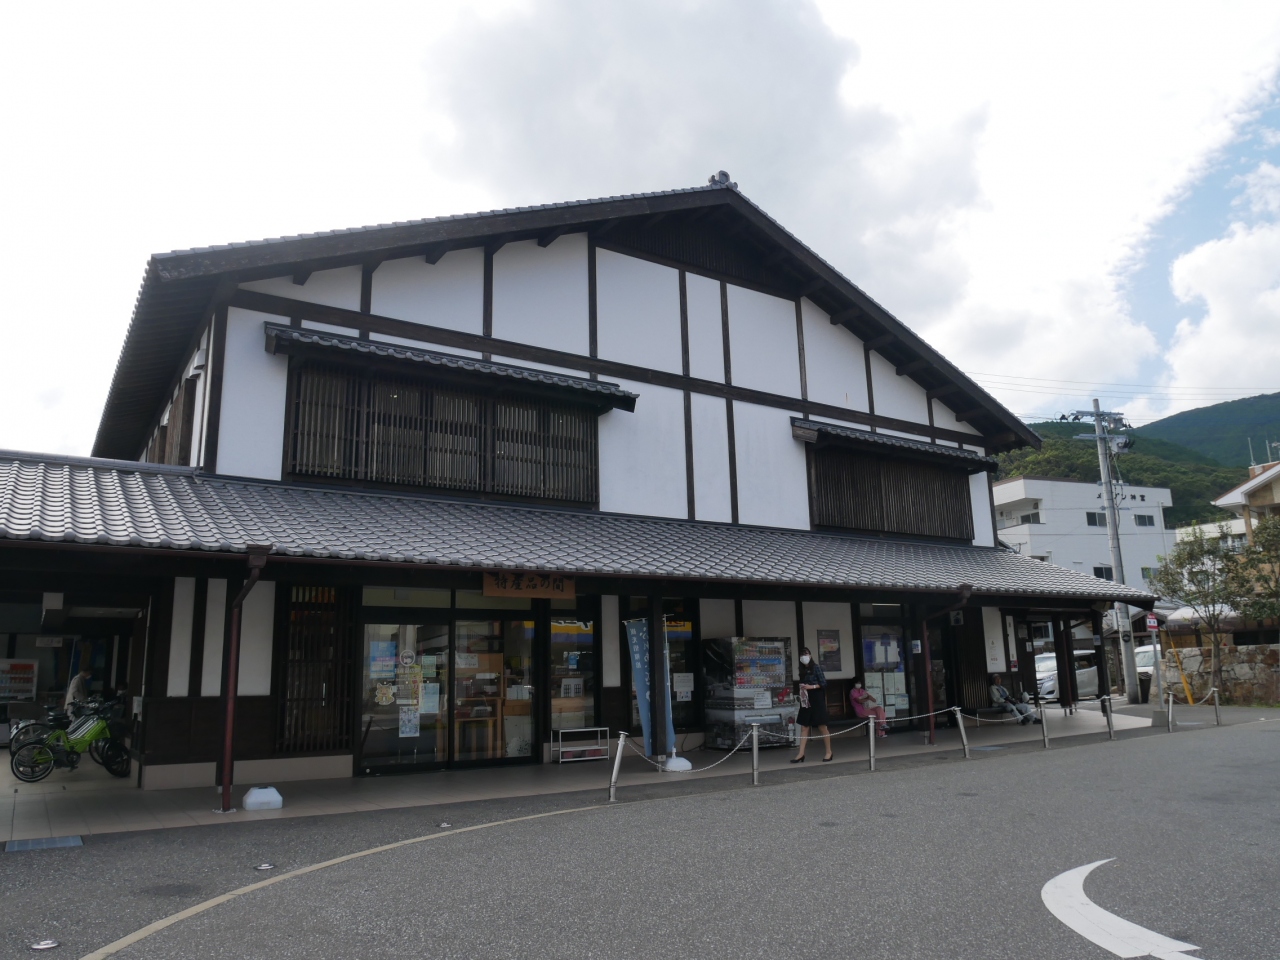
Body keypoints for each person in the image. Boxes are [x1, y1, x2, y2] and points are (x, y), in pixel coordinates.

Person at [792, 648, 833, 762]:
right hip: (806, 698)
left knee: (822, 726)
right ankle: (801, 753)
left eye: (806, 654)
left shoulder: (816, 667)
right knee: (804, 726)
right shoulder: (802, 670)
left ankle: (829, 752)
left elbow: (823, 683)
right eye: (802, 655)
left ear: (810, 655)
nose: (804, 657)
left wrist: (812, 686)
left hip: (817, 697)